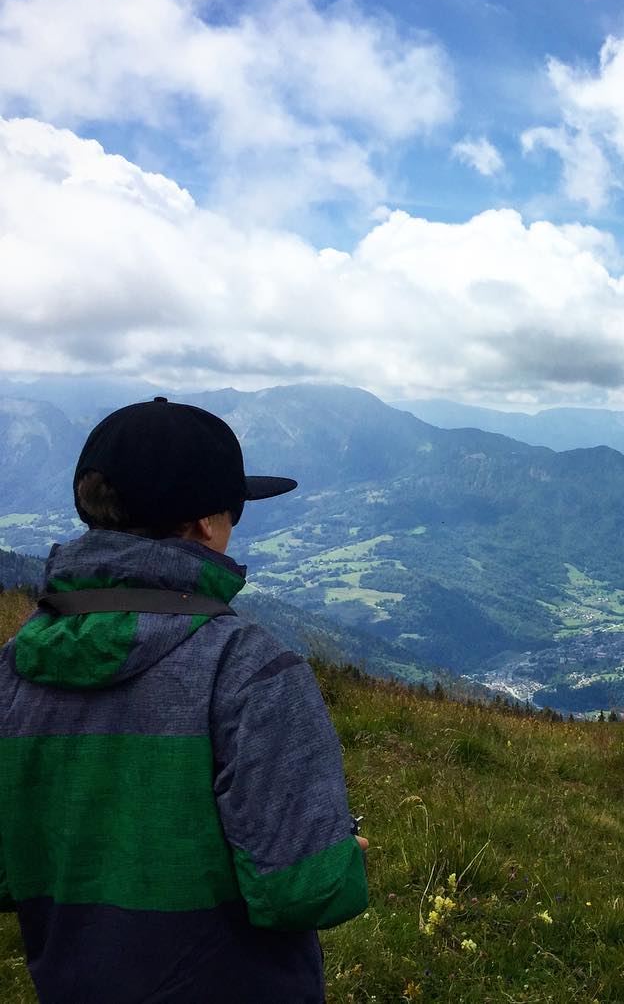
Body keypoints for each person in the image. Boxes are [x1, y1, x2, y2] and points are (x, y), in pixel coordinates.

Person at [0, 397, 369, 1003]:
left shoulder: (16, 665)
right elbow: (306, 889)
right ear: (205, 524)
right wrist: (338, 855)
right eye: (234, 514)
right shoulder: (249, 668)